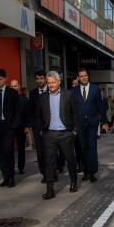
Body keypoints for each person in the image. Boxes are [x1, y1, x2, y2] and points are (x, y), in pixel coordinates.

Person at [35, 71, 80, 199]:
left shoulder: (68, 94)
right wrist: (41, 130)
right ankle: (50, 190)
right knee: (49, 162)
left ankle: (73, 182)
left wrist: (74, 131)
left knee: (70, 159)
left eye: (53, 82)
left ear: (59, 82)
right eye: (49, 83)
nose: (51, 85)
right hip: (49, 134)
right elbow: (38, 115)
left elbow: (75, 113)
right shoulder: (43, 97)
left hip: (66, 133)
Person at [73, 67, 109, 182]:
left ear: (88, 76)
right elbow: (72, 109)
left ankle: (93, 172)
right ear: (78, 78)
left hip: (92, 122)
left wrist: (105, 122)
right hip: (80, 124)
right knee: (83, 148)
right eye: (81, 76)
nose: (84, 78)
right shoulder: (73, 91)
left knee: (92, 146)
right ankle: (86, 171)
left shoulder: (95, 89)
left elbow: (100, 107)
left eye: (85, 75)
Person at [28, 70, 49, 182]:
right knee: (40, 152)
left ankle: (52, 171)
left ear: (45, 79)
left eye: (41, 78)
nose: (39, 81)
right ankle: (45, 173)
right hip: (37, 128)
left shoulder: (51, 90)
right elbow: (30, 111)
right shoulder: (33, 93)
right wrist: (33, 126)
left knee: (51, 151)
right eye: (37, 78)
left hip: (50, 127)